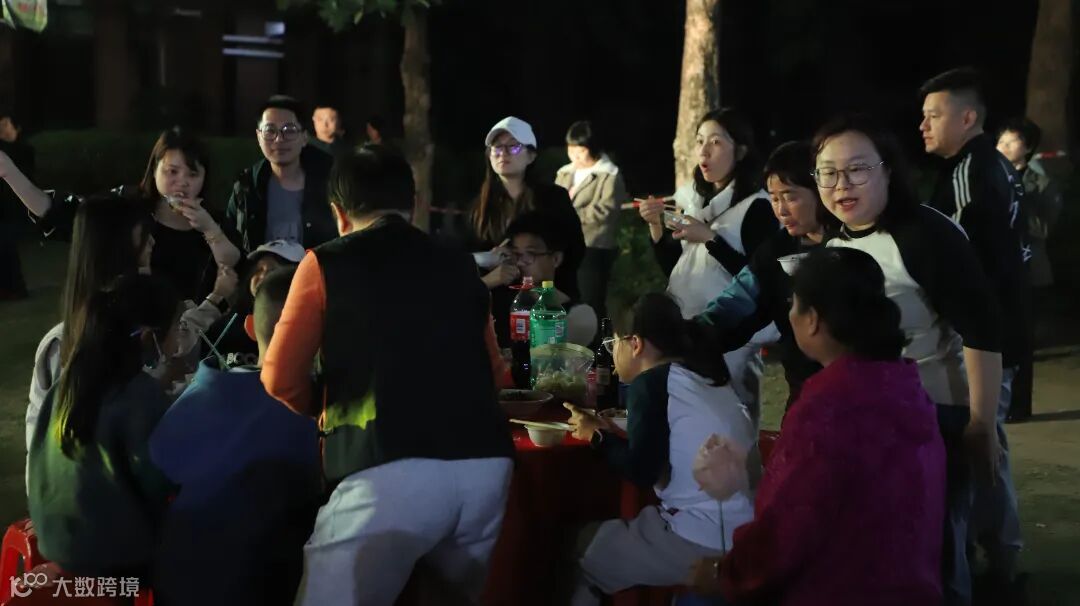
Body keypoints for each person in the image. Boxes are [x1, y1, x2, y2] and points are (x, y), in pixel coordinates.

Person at [261, 146, 515, 606]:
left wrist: (325, 406)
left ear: (339, 213)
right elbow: (497, 374)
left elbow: (279, 377)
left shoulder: (325, 263)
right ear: (414, 205)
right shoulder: (459, 264)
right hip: (485, 469)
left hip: (382, 471)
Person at [813, 114, 1004, 606]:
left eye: (857, 169)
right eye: (828, 173)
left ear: (888, 170)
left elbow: (981, 328)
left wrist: (981, 424)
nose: (841, 185)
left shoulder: (925, 234)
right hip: (867, 422)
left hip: (936, 415)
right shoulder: (834, 244)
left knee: (938, 548)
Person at [690, 247, 946, 605]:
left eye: (793, 304)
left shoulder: (828, 409)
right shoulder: (907, 389)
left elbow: (787, 530)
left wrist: (725, 573)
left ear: (812, 320)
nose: (790, 314)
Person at [24, 194, 237, 492]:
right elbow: (46, 442)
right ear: (116, 246)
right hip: (102, 502)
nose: (152, 243)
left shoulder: (144, 325)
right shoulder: (65, 345)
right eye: (143, 235)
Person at [564, 292, 754, 605]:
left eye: (614, 344)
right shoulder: (704, 372)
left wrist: (595, 436)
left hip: (706, 536)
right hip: (746, 526)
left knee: (582, 546)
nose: (614, 356)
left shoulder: (650, 384)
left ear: (635, 344)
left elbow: (641, 471)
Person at [150, 266, 321, 606]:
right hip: (261, 589)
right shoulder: (313, 416)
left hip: (174, 582)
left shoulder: (194, 396)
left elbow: (160, 470)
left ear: (250, 328)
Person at [920, 68, 1027, 597]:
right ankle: (997, 558)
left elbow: (958, 258)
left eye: (933, 115)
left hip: (983, 339)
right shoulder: (992, 166)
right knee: (986, 443)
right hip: (1000, 330)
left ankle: (996, 561)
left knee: (982, 444)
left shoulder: (970, 172)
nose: (922, 126)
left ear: (967, 118)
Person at [28, 273, 183, 579]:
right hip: (115, 558)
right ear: (148, 336)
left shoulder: (68, 382)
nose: (179, 339)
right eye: (178, 327)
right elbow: (162, 480)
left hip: (55, 540)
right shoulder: (139, 395)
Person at [638, 108, 778, 419]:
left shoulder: (758, 207)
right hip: (685, 331)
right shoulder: (693, 200)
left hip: (730, 341)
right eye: (700, 141)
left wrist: (711, 239)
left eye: (716, 142)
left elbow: (760, 280)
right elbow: (678, 271)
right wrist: (656, 227)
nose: (703, 151)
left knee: (728, 427)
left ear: (740, 150)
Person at [0, 127, 241, 302]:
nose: (182, 182)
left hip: (198, 335)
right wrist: (9, 171)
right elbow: (62, 213)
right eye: (172, 172)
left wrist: (210, 229)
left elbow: (234, 269)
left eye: (192, 174)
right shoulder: (127, 208)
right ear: (154, 169)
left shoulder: (213, 221)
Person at [695, 141, 837, 410]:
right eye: (774, 198)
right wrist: (683, 338)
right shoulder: (777, 250)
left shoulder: (850, 245)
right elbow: (737, 303)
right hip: (804, 394)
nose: (781, 210)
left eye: (790, 197)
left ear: (821, 189)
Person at [455, 116, 585, 345]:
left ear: (531, 155)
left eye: (513, 147)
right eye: (496, 148)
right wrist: (489, 266)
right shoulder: (477, 207)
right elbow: (462, 258)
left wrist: (542, 274)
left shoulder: (553, 199)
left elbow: (575, 250)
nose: (503, 154)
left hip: (545, 309)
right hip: (497, 313)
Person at [996, 116, 1061, 423]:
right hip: (997, 269)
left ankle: (1019, 406)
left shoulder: (1041, 183)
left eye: (1012, 142)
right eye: (1001, 141)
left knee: (1021, 341)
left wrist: (1018, 200)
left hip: (1029, 271)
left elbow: (1044, 228)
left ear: (1028, 147)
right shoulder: (990, 177)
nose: (1003, 147)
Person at [226, 95, 337, 252]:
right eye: (270, 131)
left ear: (304, 137)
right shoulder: (246, 186)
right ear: (259, 137)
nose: (279, 139)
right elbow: (231, 242)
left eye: (289, 130)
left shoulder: (331, 183)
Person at [555, 120, 627, 319]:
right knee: (564, 301)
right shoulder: (564, 172)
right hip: (563, 247)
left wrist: (570, 214)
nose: (574, 155)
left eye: (580, 150)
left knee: (591, 303)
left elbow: (606, 210)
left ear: (593, 148)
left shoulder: (609, 174)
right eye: (571, 149)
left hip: (593, 247)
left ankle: (599, 339)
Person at [201, 239, 305, 368]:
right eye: (258, 270)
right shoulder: (231, 321)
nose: (262, 276)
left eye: (272, 270)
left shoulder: (304, 325)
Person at [505, 211, 598, 346]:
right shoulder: (502, 299)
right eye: (516, 254)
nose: (520, 262)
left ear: (556, 259)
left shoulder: (579, 314)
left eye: (530, 254)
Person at [0, 108, 31, 299]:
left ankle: (14, 288)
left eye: (6, 126)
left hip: (11, 206)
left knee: (6, 245)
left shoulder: (22, 150)